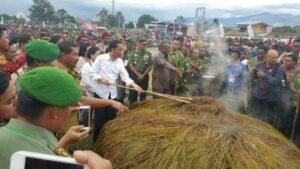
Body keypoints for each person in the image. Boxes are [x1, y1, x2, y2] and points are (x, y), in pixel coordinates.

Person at [0, 67, 89, 169]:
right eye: (69, 106)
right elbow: (63, 158)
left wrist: (64, 141)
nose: (70, 110)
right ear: (53, 112)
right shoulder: (47, 155)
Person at [91, 40, 143, 142]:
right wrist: (100, 78)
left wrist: (134, 85)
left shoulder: (119, 61)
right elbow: (92, 73)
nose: (122, 52)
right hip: (100, 94)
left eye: (123, 50)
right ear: (112, 49)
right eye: (119, 50)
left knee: (111, 120)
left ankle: (108, 142)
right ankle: (96, 143)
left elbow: (125, 76)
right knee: (99, 122)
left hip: (113, 94)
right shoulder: (101, 59)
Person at [250, 49, 285, 125]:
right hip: (258, 95)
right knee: (255, 115)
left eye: (277, 57)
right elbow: (255, 77)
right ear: (267, 57)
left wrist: (265, 76)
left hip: (269, 98)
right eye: (273, 57)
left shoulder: (279, 67)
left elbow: (277, 81)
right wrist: (252, 73)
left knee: (267, 119)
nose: (276, 59)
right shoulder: (259, 65)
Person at [128, 39, 152, 105]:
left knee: (143, 93)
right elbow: (130, 65)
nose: (145, 46)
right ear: (138, 44)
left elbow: (150, 66)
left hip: (144, 76)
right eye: (143, 44)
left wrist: (143, 75)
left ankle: (142, 109)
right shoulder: (133, 53)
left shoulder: (149, 54)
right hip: (134, 75)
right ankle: (132, 108)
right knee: (133, 94)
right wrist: (138, 74)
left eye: (146, 44)